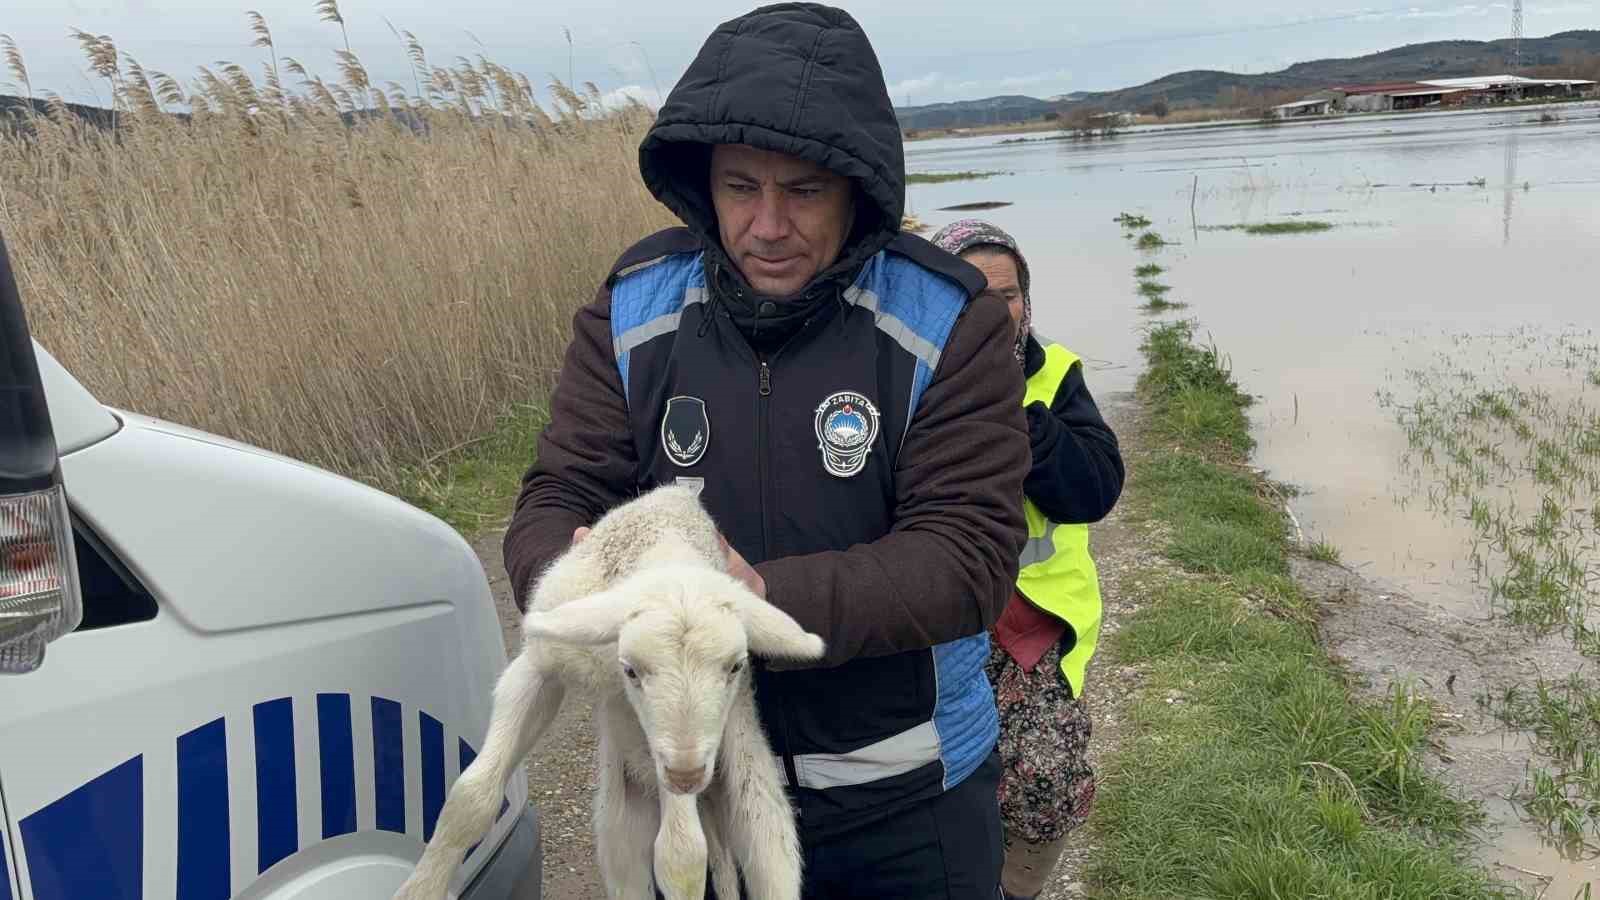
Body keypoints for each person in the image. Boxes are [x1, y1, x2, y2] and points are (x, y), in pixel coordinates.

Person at [502, 5, 1031, 897]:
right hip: (697, 801)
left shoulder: (951, 317)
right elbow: (559, 491)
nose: (769, 225)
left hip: (906, 801)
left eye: (805, 190)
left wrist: (751, 603)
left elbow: (968, 555)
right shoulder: (632, 308)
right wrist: (578, 582)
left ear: (858, 189)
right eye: (741, 187)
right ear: (699, 183)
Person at [929, 219, 1125, 900]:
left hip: (1030, 628)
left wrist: (1018, 417)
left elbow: (1097, 488)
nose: (993, 311)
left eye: (1007, 296)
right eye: (972, 295)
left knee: (1046, 786)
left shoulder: (1053, 377)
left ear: (1027, 304)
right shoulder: (899, 378)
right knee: (934, 787)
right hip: (932, 624)